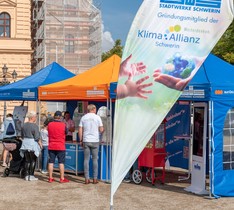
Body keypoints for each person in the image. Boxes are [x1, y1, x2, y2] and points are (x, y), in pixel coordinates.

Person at [78, 104, 104, 184]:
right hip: (95, 140)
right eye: (95, 109)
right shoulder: (97, 117)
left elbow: (80, 130)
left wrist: (81, 140)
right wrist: (102, 130)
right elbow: (101, 129)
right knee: (95, 160)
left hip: (86, 140)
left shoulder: (83, 117)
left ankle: (86, 178)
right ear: (93, 109)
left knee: (86, 159)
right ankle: (95, 179)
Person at [47, 111, 69, 183]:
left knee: (51, 162)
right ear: (60, 117)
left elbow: (48, 131)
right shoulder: (63, 125)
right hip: (60, 146)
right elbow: (66, 132)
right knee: (61, 162)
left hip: (51, 145)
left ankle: (50, 178)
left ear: (54, 116)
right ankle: (62, 178)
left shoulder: (49, 124)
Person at [20, 111, 42, 181]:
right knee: (33, 160)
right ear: (32, 117)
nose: (36, 118)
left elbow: (22, 135)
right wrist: (40, 144)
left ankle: (26, 175)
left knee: (27, 160)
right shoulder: (35, 126)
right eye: (35, 117)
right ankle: (31, 175)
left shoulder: (23, 125)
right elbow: (37, 137)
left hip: (25, 143)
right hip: (32, 143)